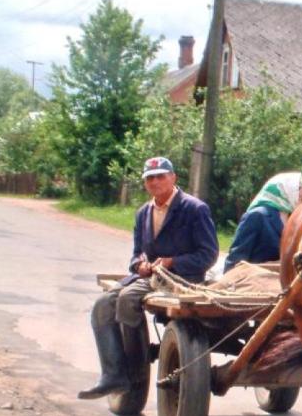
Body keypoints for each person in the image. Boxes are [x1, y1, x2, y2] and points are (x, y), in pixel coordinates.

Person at [78, 156, 219, 399]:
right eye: (149, 178)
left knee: (127, 299)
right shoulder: (143, 213)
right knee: (102, 306)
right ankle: (113, 374)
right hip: (151, 279)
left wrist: (172, 262)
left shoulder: (194, 209)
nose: (155, 182)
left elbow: (208, 254)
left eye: (160, 176)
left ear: (173, 177)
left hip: (183, 280)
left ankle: (135, 371)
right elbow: (136, 255)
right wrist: (139, 264)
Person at [223, 172, 302, 273]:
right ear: (285, 190)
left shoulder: (294, 221)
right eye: (299, 188)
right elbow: (235, 259)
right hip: (255, 283)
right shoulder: (257, 216)